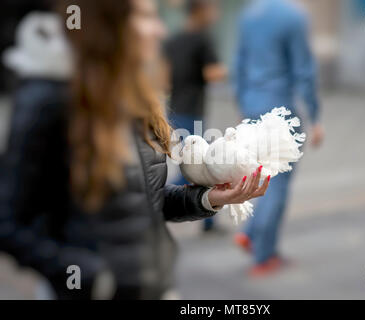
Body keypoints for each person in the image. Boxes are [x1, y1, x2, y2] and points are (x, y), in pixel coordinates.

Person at [0, 0, 269, 299]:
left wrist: (208, 198)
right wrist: (82, 274)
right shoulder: (50, 97)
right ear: (105, 21)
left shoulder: (134, 95)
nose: (159, 29)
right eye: (145, 16)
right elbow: (8, 220)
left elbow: (144, 203)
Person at [233, 0, 324, 276]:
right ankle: (263, 255)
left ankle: (252, 234)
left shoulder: (248, 15)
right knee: (278, 182)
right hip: (280, 110)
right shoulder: (294, 17)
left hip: (253, 107)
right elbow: (304, 70)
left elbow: (239, 64)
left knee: (265, 176)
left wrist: (242, 106)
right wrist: (315, 116)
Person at [164, 0, 227, 233]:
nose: (215, 12)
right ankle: (152, 205)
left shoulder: (173, 40)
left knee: (194, 165)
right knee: (194, 168)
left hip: (174, 110)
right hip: (193, 111)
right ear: (200, 11)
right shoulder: (203, 39)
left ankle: (209, 221)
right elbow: (213, 74)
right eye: (212, 7)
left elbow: (164, 77)